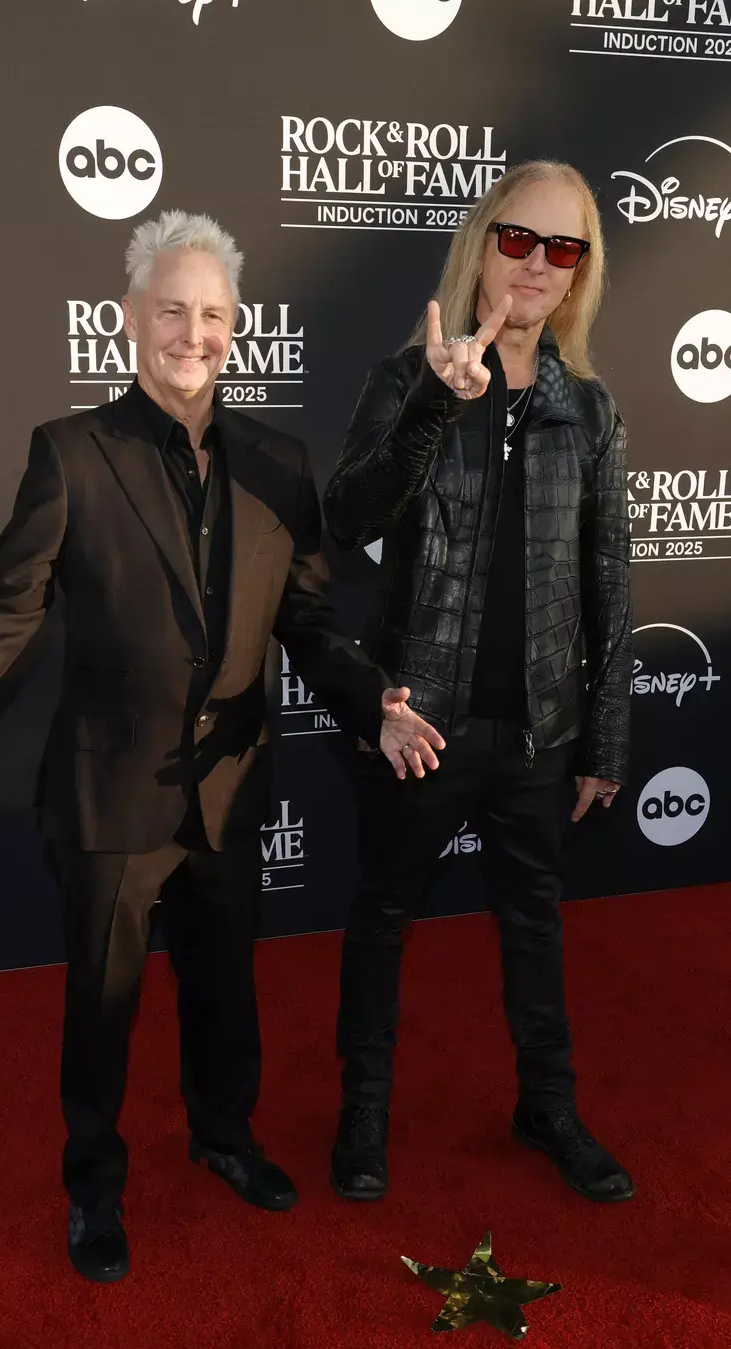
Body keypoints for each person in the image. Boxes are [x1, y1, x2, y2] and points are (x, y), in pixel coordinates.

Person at [0, 211, 442, 1282]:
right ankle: (93, 1184)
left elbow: (311, 620)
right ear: (127, 320)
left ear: (237, 329)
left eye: (214, 314)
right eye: (171, 310)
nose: (193, 332)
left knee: (225, 990)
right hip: (106, 795)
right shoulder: (72, 454)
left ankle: (223, 1136)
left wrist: (372, 705)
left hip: (228, 787)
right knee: (100, 1007)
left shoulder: (277, 462)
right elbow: (4, 612)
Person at [322, 162, 635, 1207]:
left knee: (533, 921)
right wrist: (427, 404)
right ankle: (361, 1112)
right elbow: (344, 521)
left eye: (563, 248)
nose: (536, 265)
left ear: (579, 271)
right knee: (381, 915)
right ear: (479, 242)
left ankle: (545, 1104)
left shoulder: (585, 410)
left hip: (537, 725)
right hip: (418, 718)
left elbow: (605, 584)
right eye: (517, 240)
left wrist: (602, 739)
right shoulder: (405, 375)